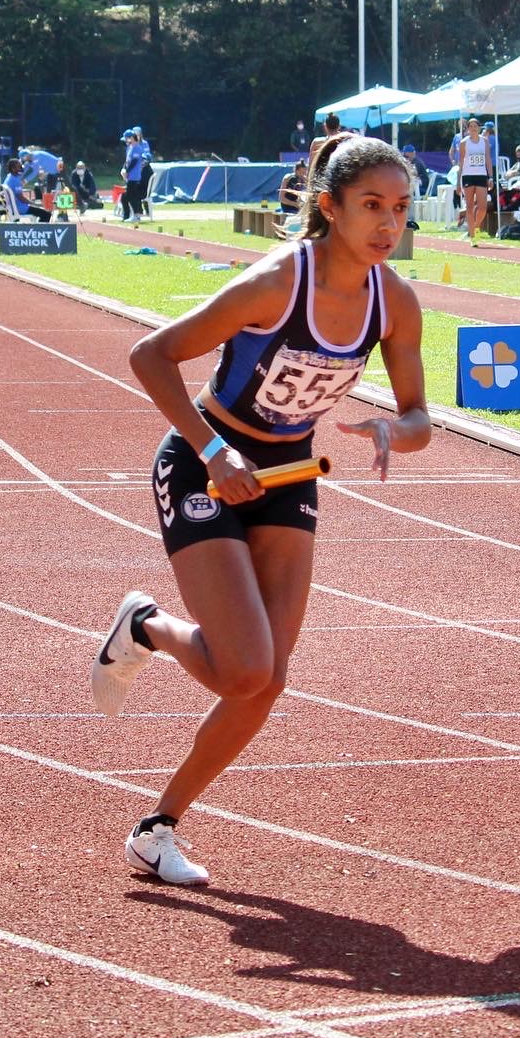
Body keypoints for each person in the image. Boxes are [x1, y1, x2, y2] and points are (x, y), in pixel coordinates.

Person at [90, 135, 430, 885]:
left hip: (289, 473)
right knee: (242, 670)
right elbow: (151, 355)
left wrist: (390, 430)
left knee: (266, 680)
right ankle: (146, 624)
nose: (386, 224)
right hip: (204, 466)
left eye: (400, 209)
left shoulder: (394, 301)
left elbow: (419, 419)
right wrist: (213, 451)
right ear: (330, 207)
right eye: (371, 206)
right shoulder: (278, 282)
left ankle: (157, 827)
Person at [450, 116, 492, 247]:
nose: (473, 128)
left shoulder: (484, 141)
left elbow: (488, 159)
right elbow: (461, 162)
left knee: (482, 207)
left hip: (481, 175)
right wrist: (458, 181)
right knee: (469, 206)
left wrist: (490, 177)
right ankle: (473, 235)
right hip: (467, 175)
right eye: (471, 126)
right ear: (467, 129)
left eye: (475, 126)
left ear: (479, 128)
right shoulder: (464, 142)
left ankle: (477, 226)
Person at [120, 131, 146, 221]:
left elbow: (134, 162)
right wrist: (123, 169)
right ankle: (127, 215)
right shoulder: (129, 148)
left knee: (131, 196)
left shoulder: (137, 148)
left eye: (127, 139)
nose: (125, 141)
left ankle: (136, 215)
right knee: (125, 197)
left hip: (134, 176)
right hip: (129, 176)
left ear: (131, 138)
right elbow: (127, 161)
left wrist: (127, 171)